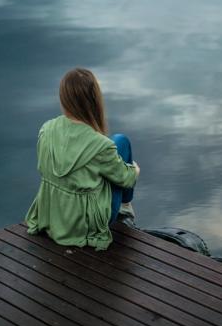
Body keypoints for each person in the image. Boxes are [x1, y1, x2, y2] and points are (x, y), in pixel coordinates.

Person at [24, 67, 140, 251]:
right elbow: (127, 179)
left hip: (53, 216)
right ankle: (125, 207)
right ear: (94, 99)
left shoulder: (46, 129)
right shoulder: (101, 145)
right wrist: (134, 170)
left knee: (113, 147)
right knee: (121, 141)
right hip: (83, 225)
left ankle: (124, 206)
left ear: (63, 98)